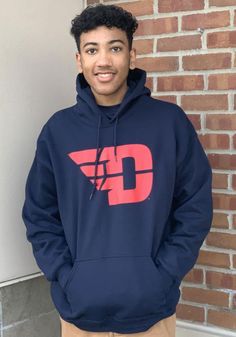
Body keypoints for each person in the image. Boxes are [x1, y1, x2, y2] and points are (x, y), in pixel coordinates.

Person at [21, 4, 213, 337]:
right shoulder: (58, 131)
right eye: (92, 50)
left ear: (132, 55)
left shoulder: (169, 124)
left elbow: (194, 207)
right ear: (79, 60)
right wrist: (67, 276)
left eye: (115, 48)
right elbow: (39, 215)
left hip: (152, 312)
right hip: (79, 313)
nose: (104, 61)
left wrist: (163, 275)